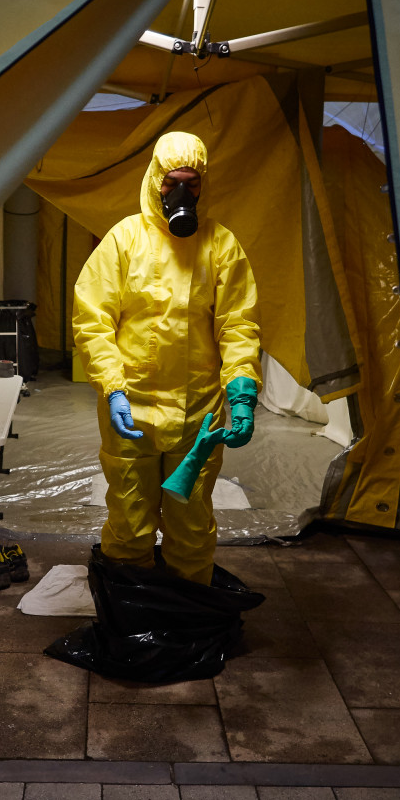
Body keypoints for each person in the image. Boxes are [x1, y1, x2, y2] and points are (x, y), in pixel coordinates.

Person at [72, 132, 262, 585]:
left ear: (203, 184)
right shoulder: (124, 241)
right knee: (130, 518)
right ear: (155, 180)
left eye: (191, 183)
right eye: (171, 182)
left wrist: (241, 392)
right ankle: (131, 610)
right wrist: (113, 388)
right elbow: (92, 322)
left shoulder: (221, 246)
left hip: (199, 412)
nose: (181, 193)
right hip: (131, 409)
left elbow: (238, 324)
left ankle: (187, 615)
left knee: (191, 523)